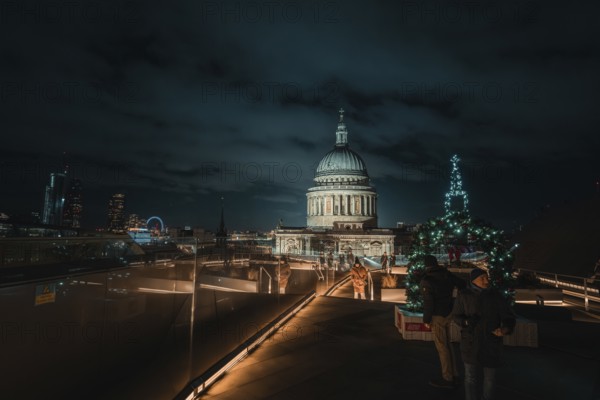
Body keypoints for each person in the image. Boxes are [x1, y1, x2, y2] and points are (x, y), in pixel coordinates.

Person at [452, 268, 516, 400]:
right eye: (483, 278)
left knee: (490, 378)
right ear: (474, 280)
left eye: (487, 277)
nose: (486, 280)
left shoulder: (496, 295)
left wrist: (505, 328)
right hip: (470, 342)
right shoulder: (464, 295)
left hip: (491, 341)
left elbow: (508, 316)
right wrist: (466, 322)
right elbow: (456, 316)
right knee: (470, 377)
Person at [420, 254, 465, 389]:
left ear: (426, 266)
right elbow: (463, 284)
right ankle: (455, 375)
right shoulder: (446, 274)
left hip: (437, 315)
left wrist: (426, 319)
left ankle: (447, 378)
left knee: (442, 347)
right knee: (448, 345)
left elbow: (429, 303)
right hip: (448, 312)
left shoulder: (427, 280)